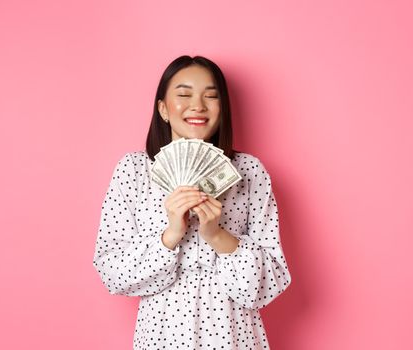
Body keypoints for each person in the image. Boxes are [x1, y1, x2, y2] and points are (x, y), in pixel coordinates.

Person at [92, 55, 292, 349]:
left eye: (211, 96)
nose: (198, 105)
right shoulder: (133, 171)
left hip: (233, 335)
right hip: (162, 336)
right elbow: (112, 272)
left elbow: (269, 282)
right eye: (184, 95)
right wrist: (170, 235)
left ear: (222, 109)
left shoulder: (249, 172)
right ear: (163, 108)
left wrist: (216, 234)